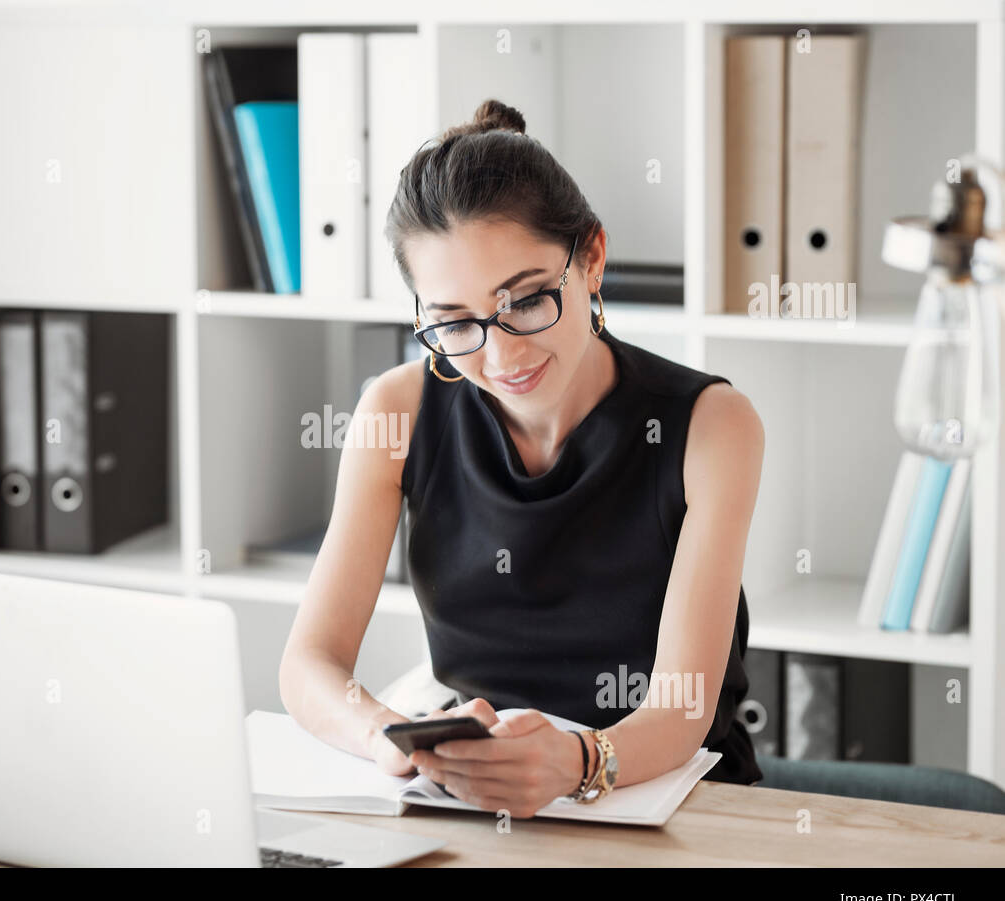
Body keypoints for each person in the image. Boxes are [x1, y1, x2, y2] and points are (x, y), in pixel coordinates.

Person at [279, 99, 765, 818]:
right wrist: (387, 736)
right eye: (452, 322)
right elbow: (309, 663)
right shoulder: (397, 411)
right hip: (475, 800)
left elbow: (681, 708)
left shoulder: (711, 424)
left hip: (674, 802)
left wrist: (576, 762)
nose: (503, 355)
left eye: (529, 299)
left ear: (591, 258)